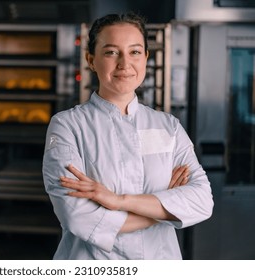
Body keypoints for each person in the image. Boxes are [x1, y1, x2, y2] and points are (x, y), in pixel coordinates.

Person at [42, 12, 214, 260]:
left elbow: (201, 202)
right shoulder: (68, 126)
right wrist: (165, 208)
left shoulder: (169, 126)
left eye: (134, 52)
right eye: (111, 52)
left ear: (146, 57)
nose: (124, 64)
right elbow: (78, 217)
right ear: (91, 59)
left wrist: (117, 200)